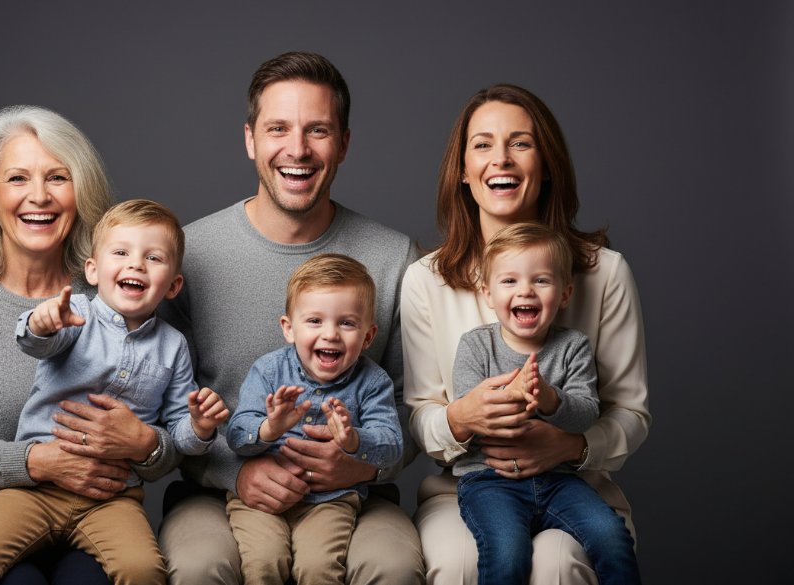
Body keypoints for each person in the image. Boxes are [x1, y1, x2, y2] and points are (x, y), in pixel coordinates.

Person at [157, 51, 425, 584]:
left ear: (343, 143)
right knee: (199, 566)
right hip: (218, 491)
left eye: (317, 130)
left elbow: (412, 404)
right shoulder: (190, 255)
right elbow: (161, 399)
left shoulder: (395, 257)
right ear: (251, 139)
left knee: (393, 566)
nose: (297, 149)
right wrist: (237, 471)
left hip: (353, 494)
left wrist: (361, 463)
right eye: (278, 128)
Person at [0, 107, 179, 585]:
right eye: (18, 178)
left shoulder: (119, 293)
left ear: (80, 194)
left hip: (93, 512)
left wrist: (145, 444)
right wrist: (40, 462)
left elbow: (168, 435)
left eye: (58, 177)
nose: (39, 196)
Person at [401, 83, 650, 584]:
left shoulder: (605, 273)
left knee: (559, 564)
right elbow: (420, 414)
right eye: (483, 144)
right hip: (470, 484)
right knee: (459, 564)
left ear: (547, 164)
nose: (502, 159)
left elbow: (631, 412)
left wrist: (571, 446)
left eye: (521, 142)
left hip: (575, 483)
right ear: (463, 172)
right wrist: (460, 418)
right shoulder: (426, 279)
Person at [0, 199, 230, 585]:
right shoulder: (76, 314)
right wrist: (41, 323)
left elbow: (178, 435)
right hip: (34, 490)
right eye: (121, 253)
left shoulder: (173, 346)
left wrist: (200, 427)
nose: (136, 265)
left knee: (143, 570)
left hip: (113, 498)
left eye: (153, 258)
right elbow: (37, 342)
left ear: (173, 285)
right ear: (93, 270)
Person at [453, 223, 640, 584]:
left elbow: (586, 414)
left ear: (565, 294)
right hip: (490, 481)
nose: (525, 290)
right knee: (507, 552)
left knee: (611, 536)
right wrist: (514, 393)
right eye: (509, 281)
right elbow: (471, 417)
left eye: (541, 280)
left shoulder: (573, 346)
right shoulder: (475, 346)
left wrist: (551, 399)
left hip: (560, 480)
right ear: (488, 293)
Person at [225, 253, 403, 584]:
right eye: (315, 321)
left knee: (318, 568)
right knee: (263, 562)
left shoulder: (373, 382)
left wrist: (355, 440)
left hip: (331, 501)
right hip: (261, 500)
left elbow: (392, 446)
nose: (330, 334)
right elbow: (236, 435)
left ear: (368, 336)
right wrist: (269, 428)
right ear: (289, 329)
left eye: (347, 323)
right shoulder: (268, 371)